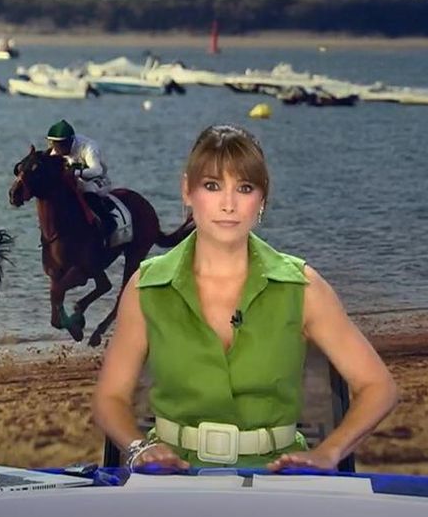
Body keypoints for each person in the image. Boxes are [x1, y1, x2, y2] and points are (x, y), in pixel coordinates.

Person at [92, 124, 398, 471]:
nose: (228, 204)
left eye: (245, 188)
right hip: (174, 477)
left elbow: (378, 386)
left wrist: (328, 452)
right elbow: (110, 398)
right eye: (212, 186)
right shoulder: (146, 286)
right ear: (187, 192)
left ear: (262, 199)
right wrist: (137, 449)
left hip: (275, 479)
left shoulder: (303, 287)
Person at [45, 119, 117, 247]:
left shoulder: (88, 147)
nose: (57, 149)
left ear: (70, 141)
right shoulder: (56, 149)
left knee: (86, 187)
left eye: (60, 145)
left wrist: (75, 173)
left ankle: (108, 223)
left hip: (98, 180)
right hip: (75, 180)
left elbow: (97, 170)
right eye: (54, 144)